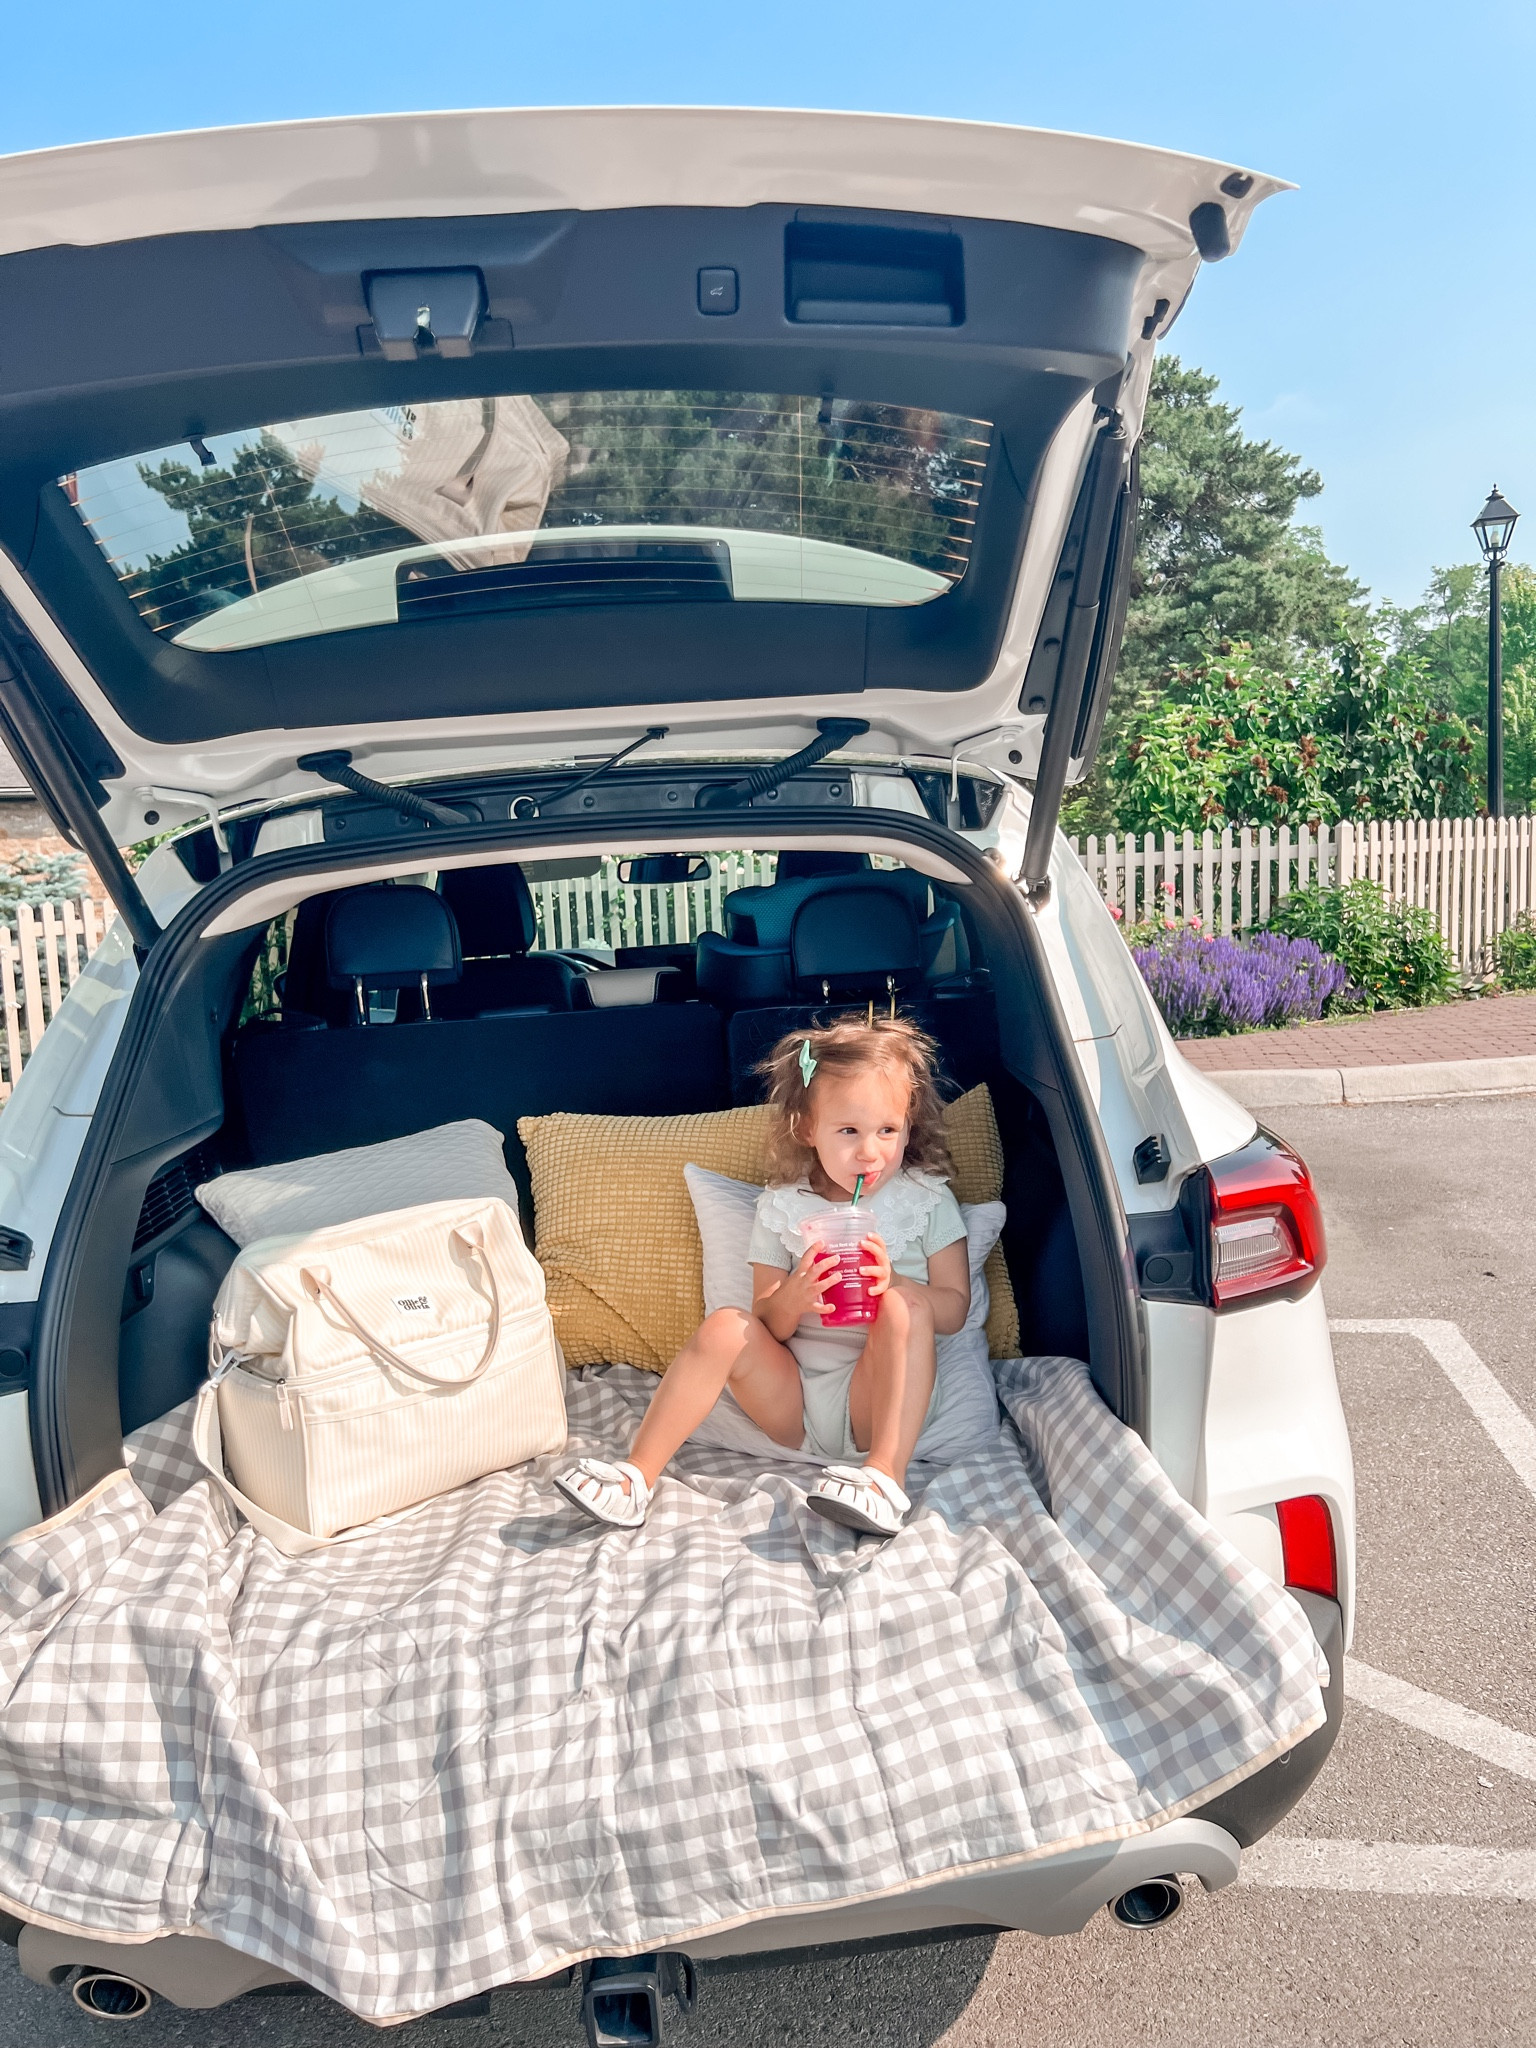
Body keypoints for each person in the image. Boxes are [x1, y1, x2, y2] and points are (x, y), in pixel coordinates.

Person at [554, 1015, 970, 1538]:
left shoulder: (928, 1199)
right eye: (848, 1131)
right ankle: (635, 1477)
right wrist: (793, 1297)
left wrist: (897, 1285)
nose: (870, 1151)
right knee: (728, 1324)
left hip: (884, 1400)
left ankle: (884, 1478)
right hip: (793, 1405)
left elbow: (954, 1311)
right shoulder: (783, 1205)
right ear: (807, 1129)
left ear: (910, 1124)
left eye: (888, 1129)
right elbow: (766, 1323)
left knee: (901, 1308)